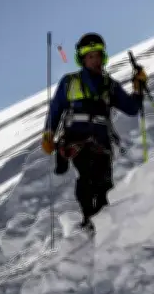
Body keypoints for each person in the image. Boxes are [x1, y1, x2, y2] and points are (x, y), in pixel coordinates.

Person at [41, 32, 148, 233]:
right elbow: (56, 109)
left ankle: (102, 222)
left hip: (101, 142)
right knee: (87, 177)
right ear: (82, 59)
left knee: (104, 182)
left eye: (98, 55)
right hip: (75, 140)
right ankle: (89, 218)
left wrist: (138, 87)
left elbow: (132, 108)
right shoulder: (69, 82)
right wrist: (48, 134)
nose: (95, 60)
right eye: (91, 56)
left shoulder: (110, 85)